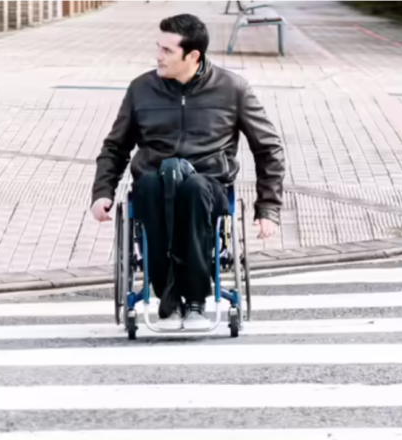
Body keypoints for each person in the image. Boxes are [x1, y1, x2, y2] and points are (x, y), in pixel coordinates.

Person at [90, 13, 286, 331]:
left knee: (192, 189)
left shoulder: (233, 89)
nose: (158, 56)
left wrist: (268, 208)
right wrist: (102, 193)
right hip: (154, 180)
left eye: (167, 50)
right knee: (152, 186)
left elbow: (268, 148)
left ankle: (195, 299)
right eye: (158, 47)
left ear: (193, 56)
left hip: (208, 184)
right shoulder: (141, 89)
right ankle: (167, 297)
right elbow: (115, 147)